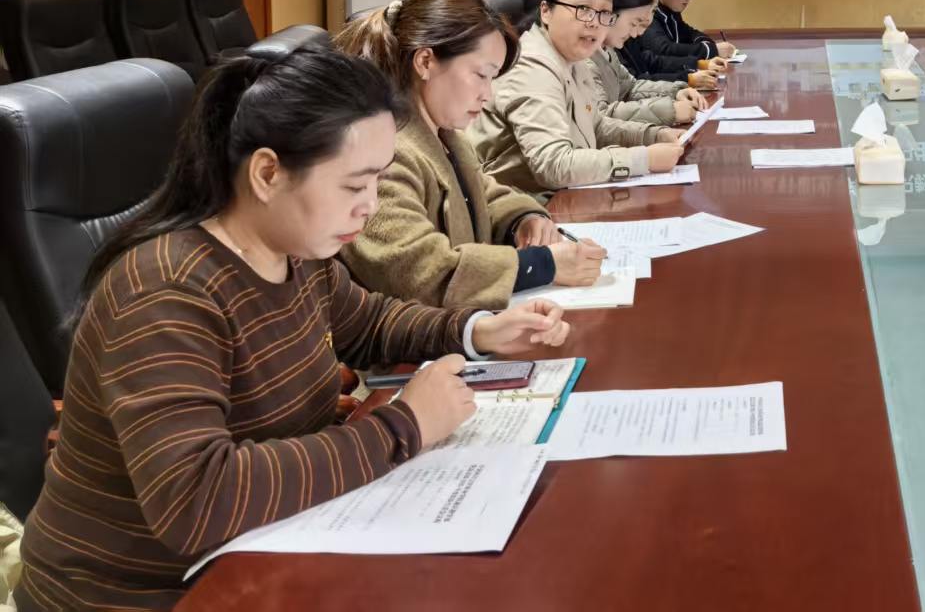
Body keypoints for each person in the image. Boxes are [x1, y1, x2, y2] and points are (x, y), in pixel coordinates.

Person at [16, 46, 570, 610]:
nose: (369, 207)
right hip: (144, 595)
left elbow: (371, 323)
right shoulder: (166, 291)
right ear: (267, 173)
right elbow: (196, 498)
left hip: (264, 551)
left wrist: (477, 329)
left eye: (377, 182)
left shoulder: (296, 252)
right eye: (353, 186)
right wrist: (404, 425)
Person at [333, 0, 606, 310]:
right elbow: (418, 272)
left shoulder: (446, 134)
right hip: (418, 337)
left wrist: (524, 218)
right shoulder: (383, 154)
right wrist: (540, 266)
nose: (487, 95)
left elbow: (483, 194)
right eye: (480, 75)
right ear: (425, 61)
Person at [471, 0, 685, 195]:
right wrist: (642, 159)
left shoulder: (575, 58)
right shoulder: (532, 66)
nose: (595, 23)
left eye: (604, 12)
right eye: (583, 9)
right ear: (546, 11)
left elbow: (596, 126)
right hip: (528, 206)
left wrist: (654, 135)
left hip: (567, 196)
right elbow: (553, 165)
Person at [589, 0, 706, 126]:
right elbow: (601, 116)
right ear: (610, 13)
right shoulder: (585, 57)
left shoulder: (607, 50)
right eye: (634, 23)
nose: (636, 33)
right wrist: (669, 111)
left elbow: (631, 87)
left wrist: (676, 91)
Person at [629, 0, 735, 81]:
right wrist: (710, 50)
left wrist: (706, 45)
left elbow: (689, 33)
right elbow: (663, 49)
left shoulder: (670, 11)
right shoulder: (649, 14)